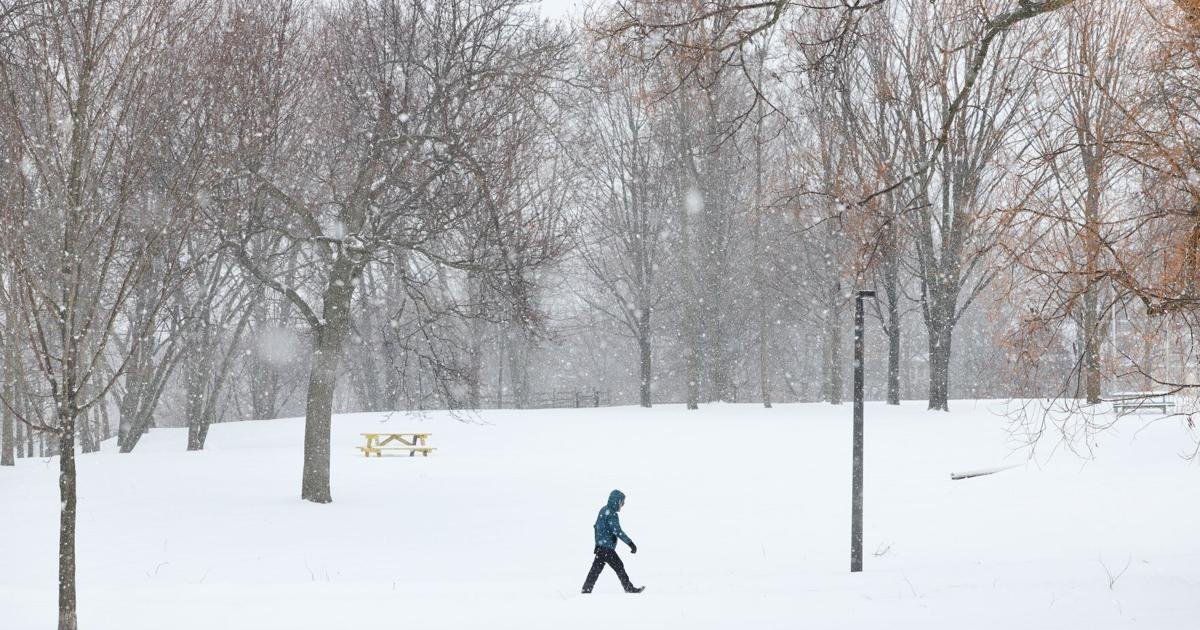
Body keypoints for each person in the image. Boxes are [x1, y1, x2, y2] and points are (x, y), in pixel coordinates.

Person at [581, 489, 644, 594]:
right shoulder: (612, 514)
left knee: (595, 570)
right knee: (619, 566)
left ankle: (586, 590)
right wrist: (630, 543)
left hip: (601, 547)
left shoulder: (603, 510)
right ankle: (629, 588)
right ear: (617, 501)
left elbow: (597, 527)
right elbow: (618, 531)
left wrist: (598, 543)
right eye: (622, 502)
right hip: (607, 548)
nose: (623, 505)